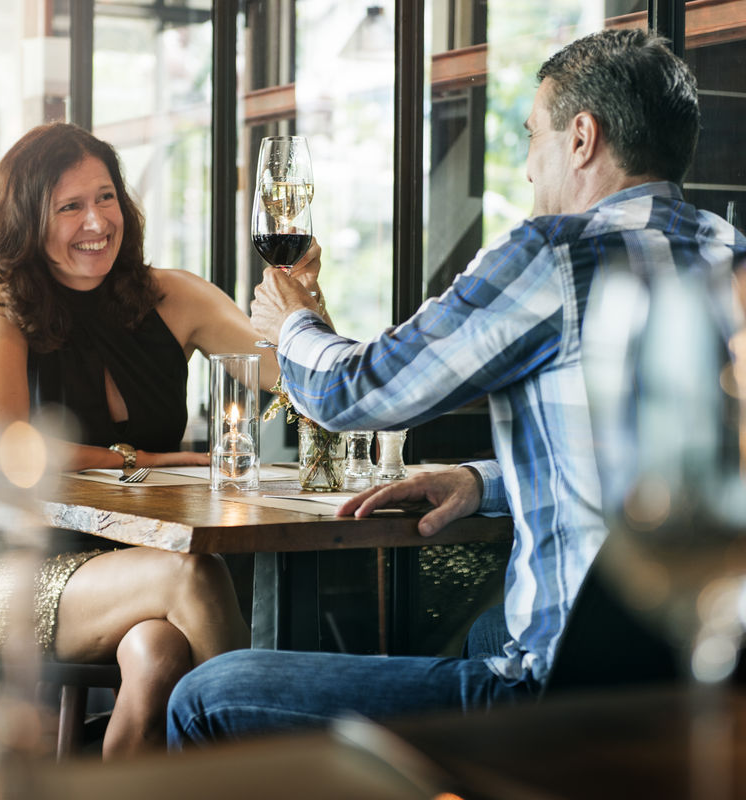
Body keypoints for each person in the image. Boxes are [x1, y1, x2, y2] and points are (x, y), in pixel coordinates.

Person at [167, 28, 746, 748]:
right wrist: (480, 481)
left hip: (563, 696)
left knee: (204, 696)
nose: (530, 169)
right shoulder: (731, 258)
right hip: (706, 685)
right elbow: (678, 468)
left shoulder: (554, 253)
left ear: (582, 139)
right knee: (478, 633)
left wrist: (296, 324)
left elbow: (355, 392)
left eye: (534, 135)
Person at [0, 122, 325, 758]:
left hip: (133, 562)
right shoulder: (5, 299)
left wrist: (303, 309)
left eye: (106, 198)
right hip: (11, 571)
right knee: (194, 577)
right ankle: (273, 768)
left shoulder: (173, 295)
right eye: (69, 206)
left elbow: (299, 377)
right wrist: (149, 460)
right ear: (26, 220)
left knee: (158, 659)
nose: (97, 220)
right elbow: (7, 443)